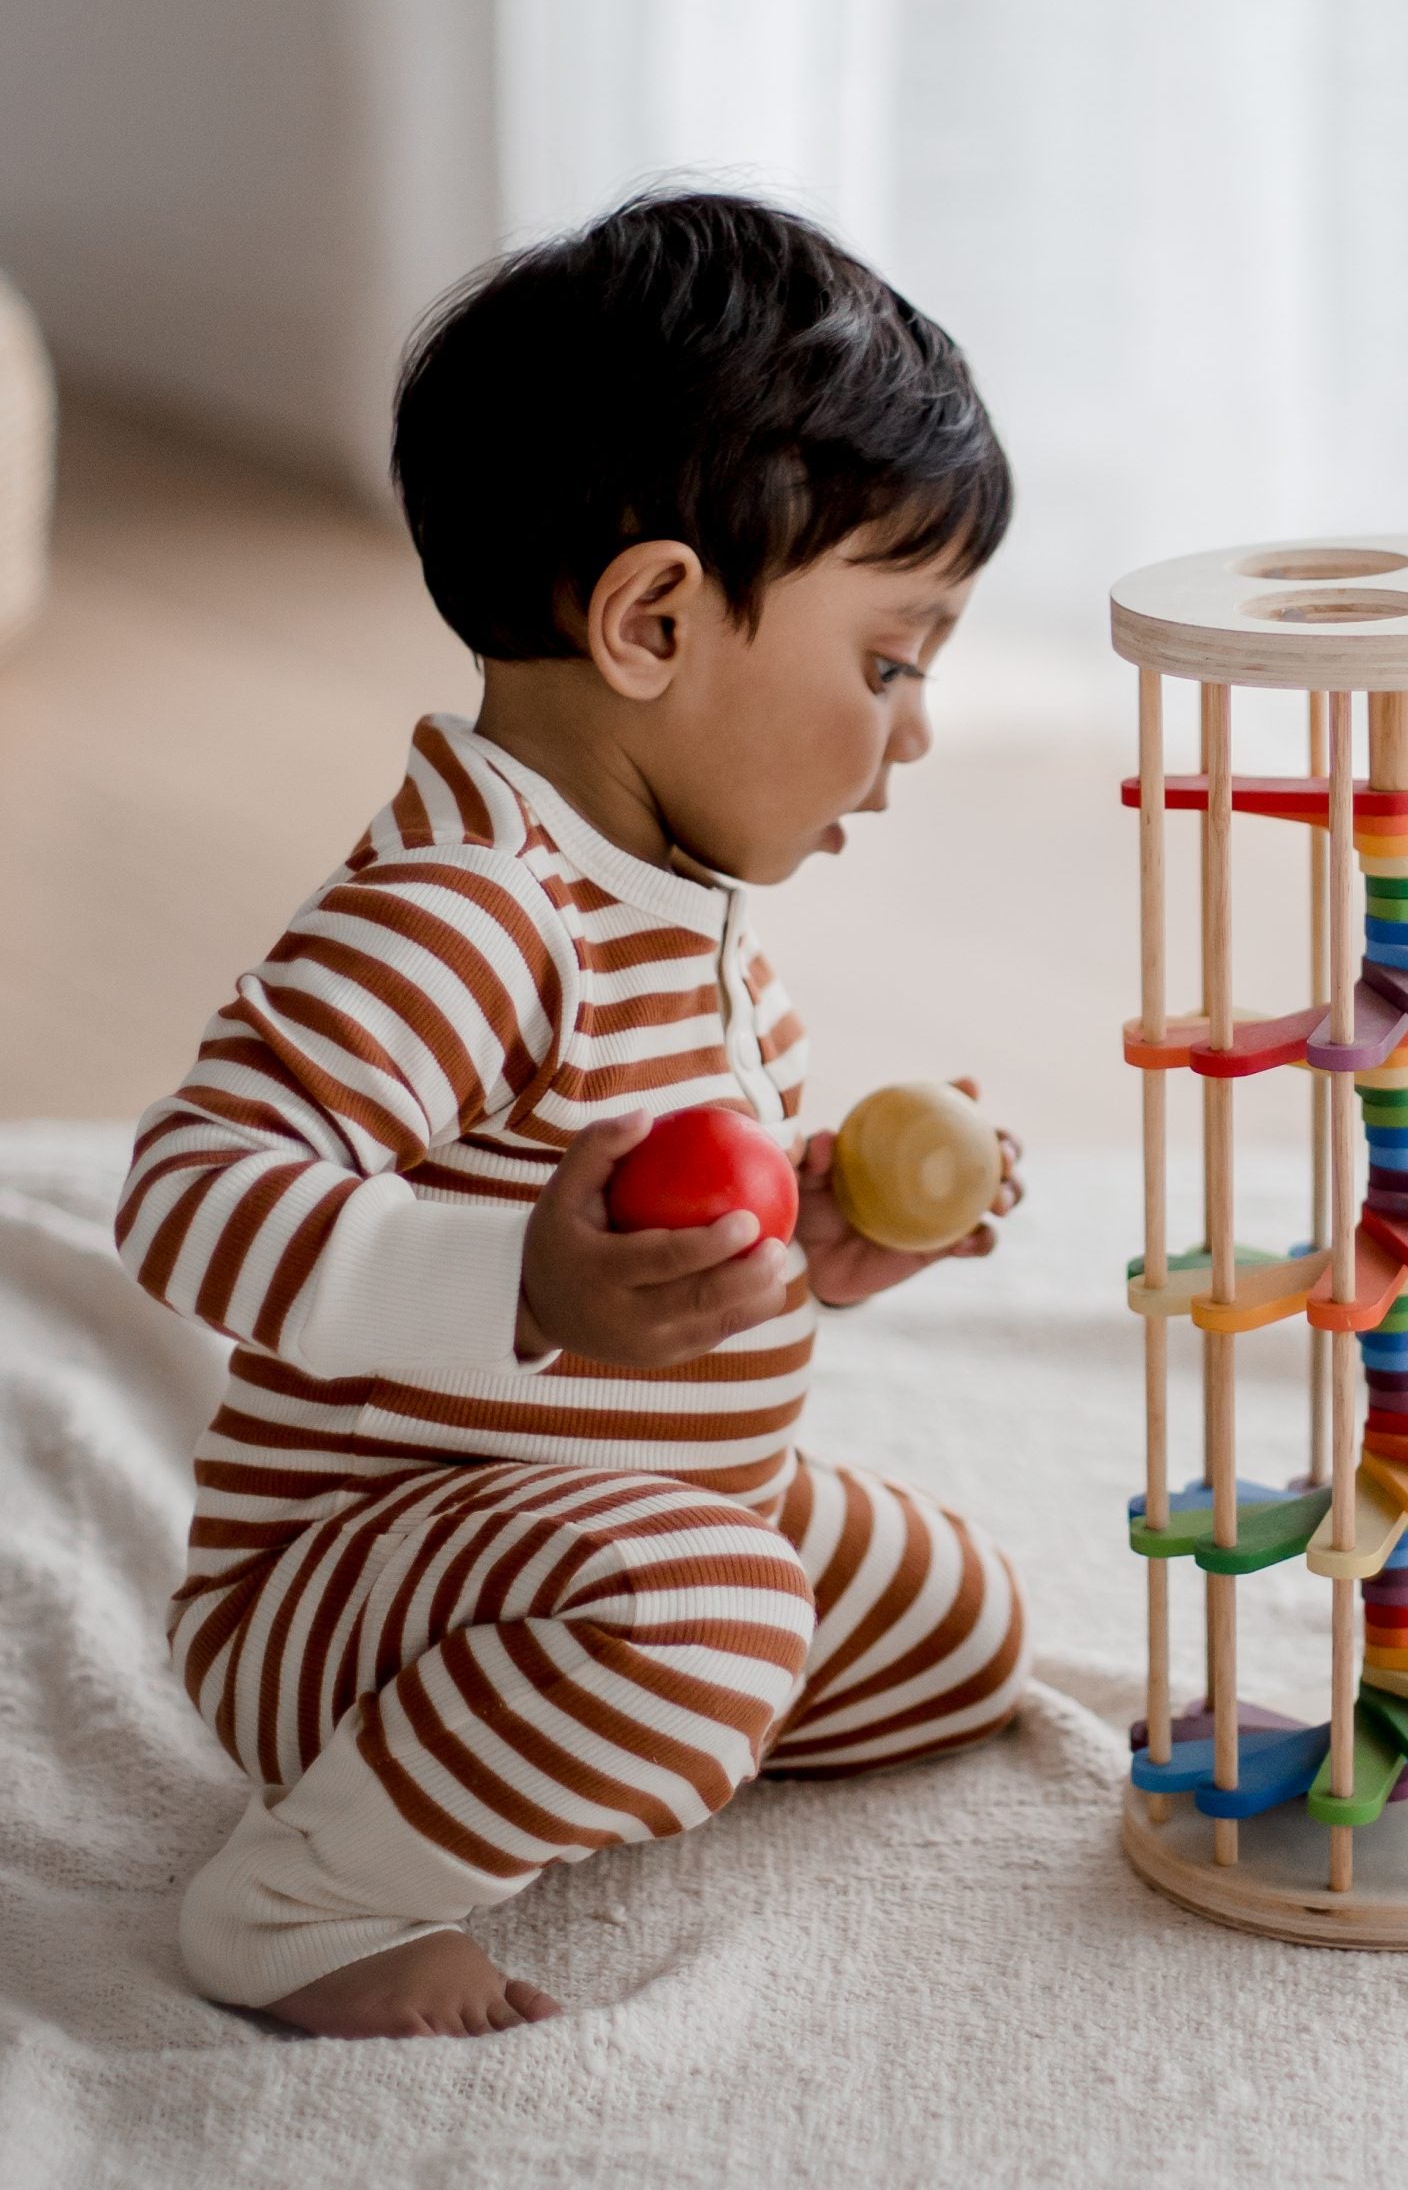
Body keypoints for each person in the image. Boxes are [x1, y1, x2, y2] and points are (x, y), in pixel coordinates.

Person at [116, 193, 1029, 2039]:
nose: (914, 731)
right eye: (887, 659)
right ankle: (300, 1906)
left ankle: (612, 1714)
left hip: (619, 1514)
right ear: (652, 620)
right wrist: (525, 1284)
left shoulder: (681, 911)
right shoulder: (467, 910)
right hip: (359, 1595)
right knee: (719, 1616)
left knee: (960, 1626)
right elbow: (186, 1197)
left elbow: (691, 1243)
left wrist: (820, 1231)